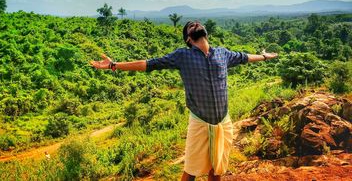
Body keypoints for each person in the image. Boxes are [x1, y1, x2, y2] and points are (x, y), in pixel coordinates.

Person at [91, 20, 278, 181]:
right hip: (200, 122)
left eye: (197, 23)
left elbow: (245, 58)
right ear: (189, 39)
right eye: (190, 26)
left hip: (223, 121)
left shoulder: (223, 53)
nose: (194, 24)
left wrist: (263, 56)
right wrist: (114, 65)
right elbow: (149, 64)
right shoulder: (183, 56)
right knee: (191, 171)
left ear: (205, 32)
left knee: (217, 169)